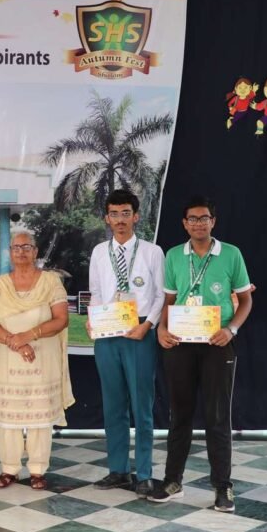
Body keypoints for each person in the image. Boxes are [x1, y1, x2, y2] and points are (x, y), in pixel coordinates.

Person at [151, 196, 253, 512]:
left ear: (213, 222)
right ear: (185, 224)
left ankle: (223, 487)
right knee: (179, 414)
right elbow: (169, 300)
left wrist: (231, 330)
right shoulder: (174, 255)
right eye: (192, 219)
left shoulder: (231, 254)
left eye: (204, 218)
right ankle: (172, 481)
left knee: (217, 416)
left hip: (217, 343)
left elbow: (246, 301)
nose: (198, 223)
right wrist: (161, 329)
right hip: (180, 344)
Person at [88, 189, 166, 497]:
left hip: (139, 332)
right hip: (108, 333)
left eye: (125, 213)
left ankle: (144, 473)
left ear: (136, 216)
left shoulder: (152, 252)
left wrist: (148, 325)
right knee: (113, 405)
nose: (120, 220)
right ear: (106, 218)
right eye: (114, 214)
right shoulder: (99, 252)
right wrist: (94, 320)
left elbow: (161, 295)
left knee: (141, 405)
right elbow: (96, 292)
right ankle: (118, 470)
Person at [0, 231, 74, 491]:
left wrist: (28, 335)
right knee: (8, 418)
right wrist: (16, 342)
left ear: (35, 252)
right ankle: (9, 468)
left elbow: (61, 319)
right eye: (16, 247)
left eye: (26, 247)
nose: (21, 252)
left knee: (40, 416)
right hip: (7, 359)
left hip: (42, 361)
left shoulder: (50, 282)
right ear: (9, 253)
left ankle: (37, 469)